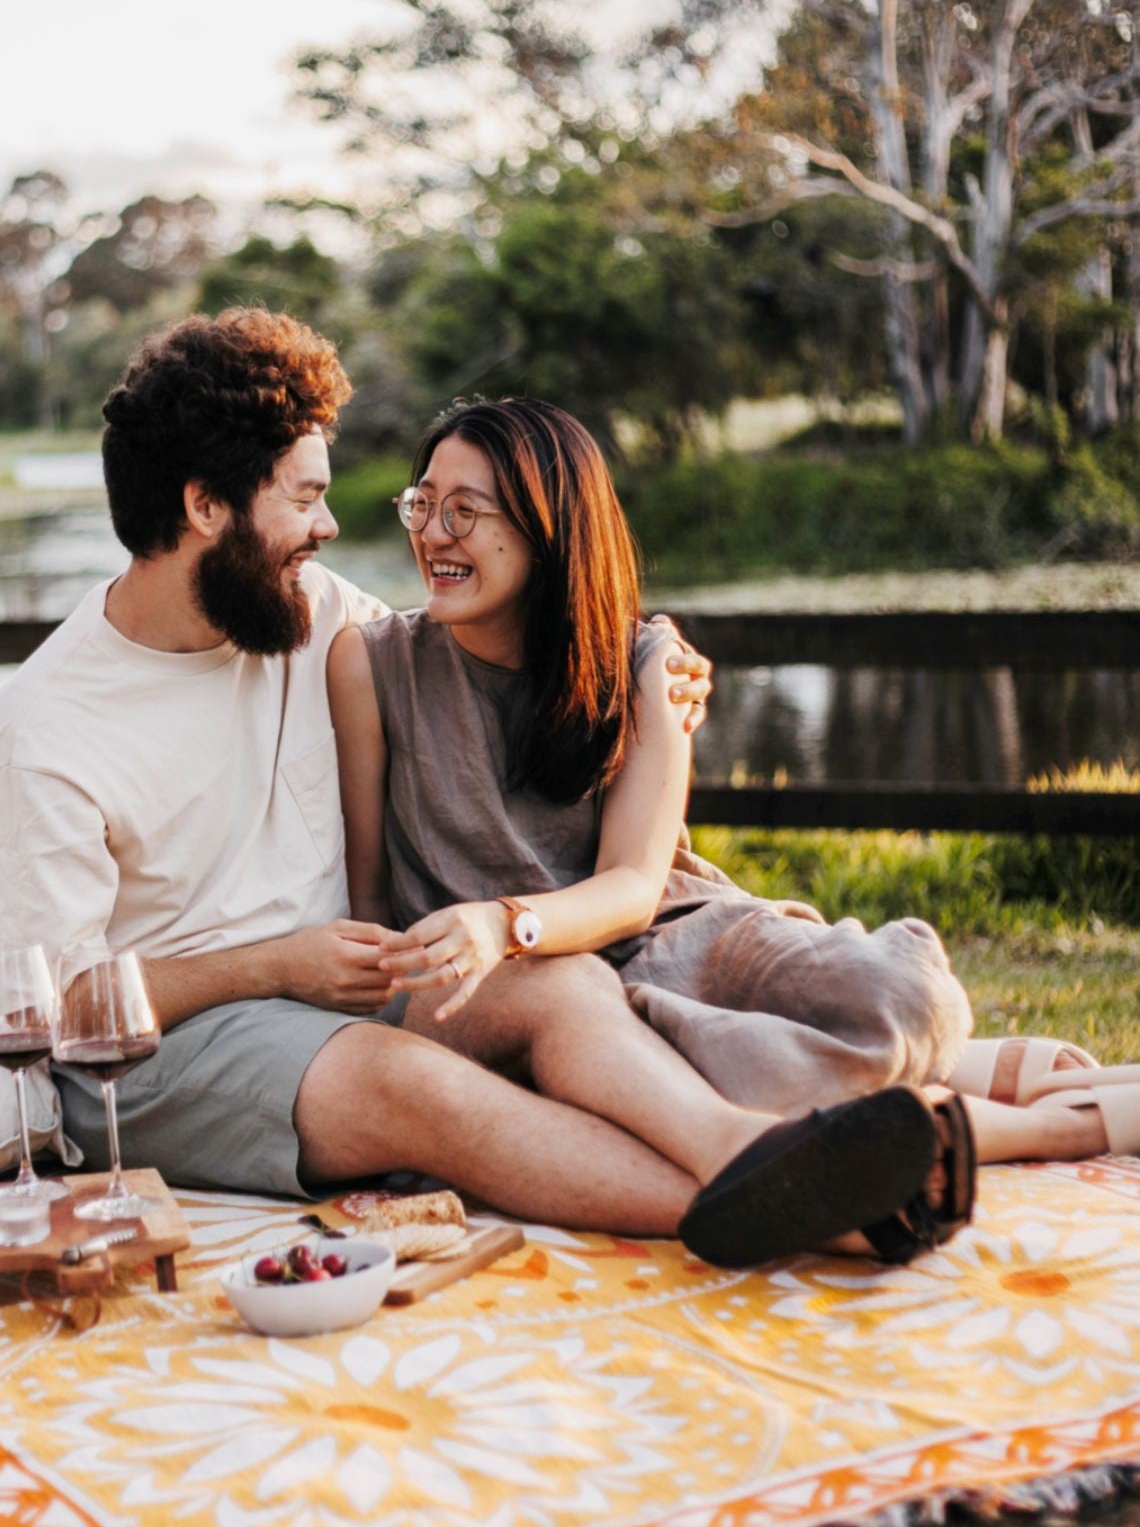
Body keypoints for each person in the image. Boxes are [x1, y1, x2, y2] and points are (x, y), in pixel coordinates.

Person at [0, 310, 966, 1262]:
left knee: (554, 980)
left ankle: (740, 1147)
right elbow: (57, 1007)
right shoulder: (44, 733)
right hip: (155, 1059)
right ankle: (821, 1212)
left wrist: (648, 664)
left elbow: (488, 611)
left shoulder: (299, 610)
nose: (324, 528)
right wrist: (274, 965)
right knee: (416, 1085)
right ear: (204, 505)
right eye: (305, 497)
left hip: (343, 991)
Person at [326, 394, 1139, 1262]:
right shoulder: (371, 664)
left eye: (465, 511)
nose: (433, 534)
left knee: (911, 999)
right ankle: (1059, 1121)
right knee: (696, 1076)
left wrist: (507, 918)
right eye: (422, 505)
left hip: (671, 930)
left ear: (548, 526)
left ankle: (972, 1079)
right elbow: (373, 891)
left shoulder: (644, 662)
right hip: (532, 999)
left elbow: (637, 889)